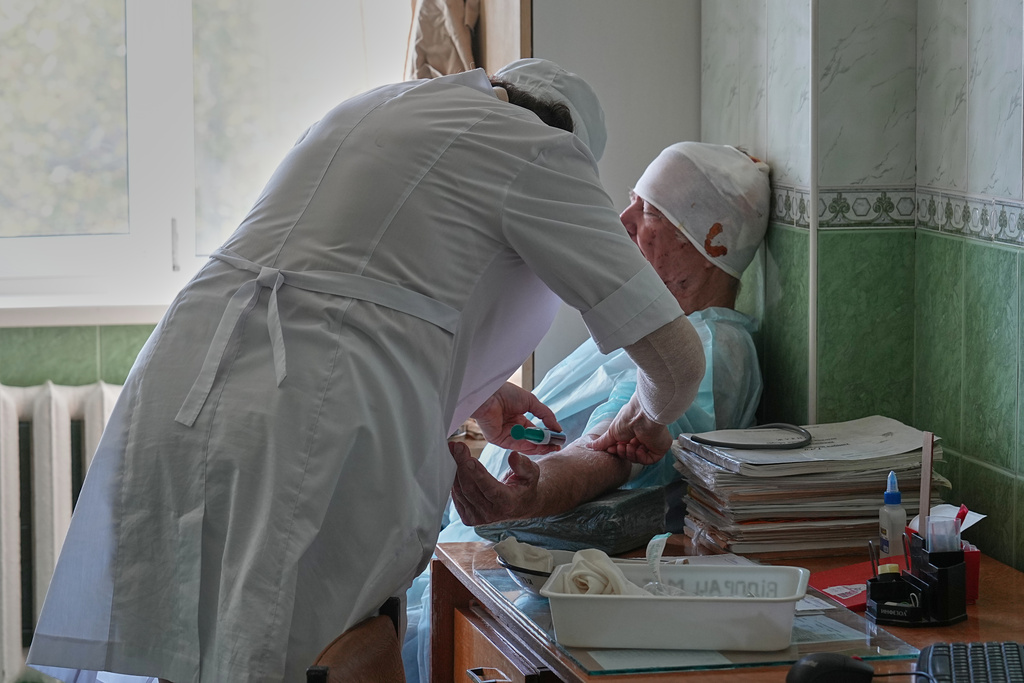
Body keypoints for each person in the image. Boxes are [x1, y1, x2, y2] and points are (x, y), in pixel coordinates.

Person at [25, 59, 706, 683]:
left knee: (173, 643)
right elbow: (676, 361)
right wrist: (642, 420)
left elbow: (343, 279)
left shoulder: (378, 108)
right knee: (296, 656)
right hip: (310, 414)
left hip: (184, 381)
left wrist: (474, 392)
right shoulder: (541, 153)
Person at [403, 142, 771, 681]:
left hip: (532, 579)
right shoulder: (644, 333)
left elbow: (616, 452)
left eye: (646, 211)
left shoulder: (709, 350)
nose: (622, 222)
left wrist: (525, 494)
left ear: (710, 239)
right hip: (469, 554)